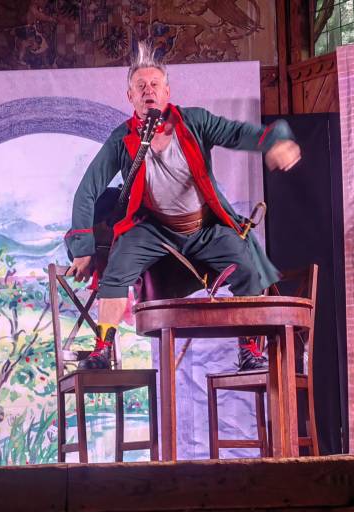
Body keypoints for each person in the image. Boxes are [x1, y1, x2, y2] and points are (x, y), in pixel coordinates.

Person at [65, 41, 301, 371]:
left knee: (246, 265)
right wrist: (82, 249)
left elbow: (238, 133)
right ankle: (102, 349)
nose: (148, 90)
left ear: (167, 91)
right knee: (117, 268)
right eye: (140, 86)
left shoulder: (194, 121)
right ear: (130, 96)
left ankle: (249, 349)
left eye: (155, 84)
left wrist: (275, 142)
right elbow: (87, 190)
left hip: (204, 227)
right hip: (153, 230)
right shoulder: (122, 139)